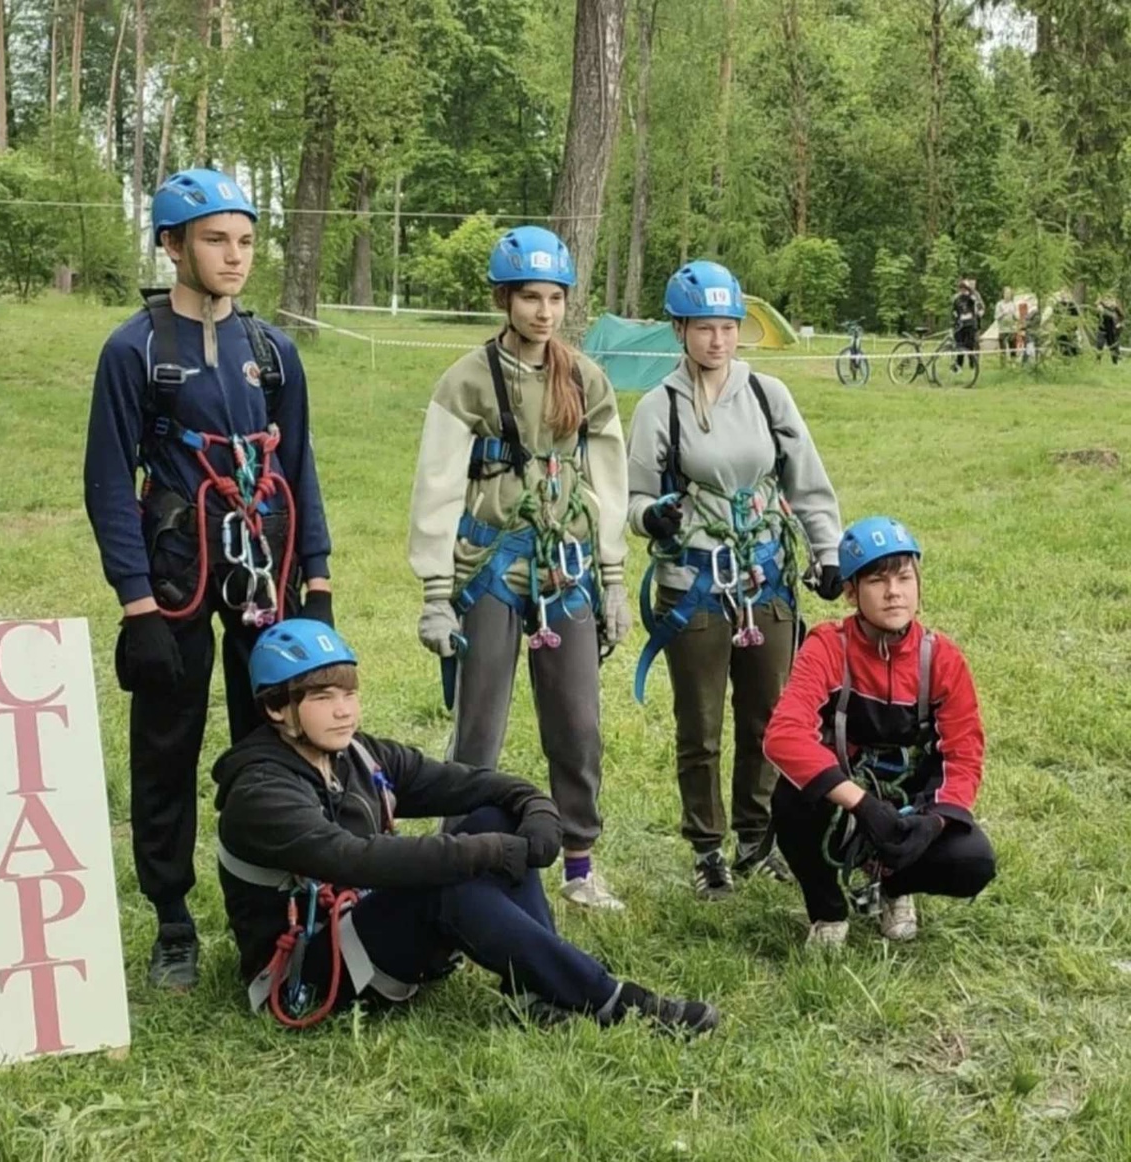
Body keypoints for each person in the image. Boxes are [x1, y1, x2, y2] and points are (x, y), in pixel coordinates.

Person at [211, 619, 720, 1035]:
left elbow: (470, 784)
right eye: (323, 697)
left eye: (350, 693)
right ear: (277, 707)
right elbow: (353, 858)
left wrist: (534, 809)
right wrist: (488, 852)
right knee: (446, 880)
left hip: (365, 926)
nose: (344, 710)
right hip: (308, 970)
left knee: (495, 816)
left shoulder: (358, 754)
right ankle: (610, 999)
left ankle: (534, 992)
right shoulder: (259, 792)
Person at [84, 168, 333, 989]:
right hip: (176, 571)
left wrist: (318, 580)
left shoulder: (273, 353)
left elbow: (299, 464)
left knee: (274, 740)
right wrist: (137, 608)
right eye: (216, 240)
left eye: (247, 241)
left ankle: (273, 906)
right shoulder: (136, 351)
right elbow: (107, 482)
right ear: (172, 245)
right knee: (167, 742)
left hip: (265, 570)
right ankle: (172, 919)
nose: (235, 256)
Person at [406, 226, 632, 910]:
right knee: (479, 727)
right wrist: (436, 593)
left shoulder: (584, 378)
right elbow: (437, 484)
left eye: (555, 298)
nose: (544, 311)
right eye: (531, 297)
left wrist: (613, 579)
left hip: (565, 566)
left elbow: (608, 477)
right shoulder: (467, 380)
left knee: (578, 723)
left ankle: (580, 863)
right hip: (489, 564)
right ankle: (458, 858)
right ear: (504, 299)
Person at [625, 260, 843, 898]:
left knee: (768, 719)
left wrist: (827, 551)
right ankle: (706, 849)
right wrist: (650, 516)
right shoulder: (660, 407)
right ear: (680, 330)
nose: (718, 340)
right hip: (693, 582)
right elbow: (631, 496)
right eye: (704, 328)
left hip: (765, 580)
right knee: (699, 725)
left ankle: (757, 837)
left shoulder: (768, 396)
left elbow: (807, 480)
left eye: (727, 327)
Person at [765, 517, 996, 947]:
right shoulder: (827, 647)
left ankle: (894, 884)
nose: (894, 592)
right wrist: (862, 804)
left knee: (973, 860)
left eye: (904, 578)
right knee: (791, 800)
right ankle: (828, 910)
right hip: (847, 794)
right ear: (851, 592)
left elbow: (964, 755)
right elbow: (783, 735)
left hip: (911, 800)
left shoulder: (942, 659)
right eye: (877, 580)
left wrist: (936, 821)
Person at [950, 278, 984, 372]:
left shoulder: (972, 298)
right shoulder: (957, 299)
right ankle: (958, 366)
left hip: (970, 325)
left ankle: (972, 364)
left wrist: (970, 294)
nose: (962, 291)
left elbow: (978, 307)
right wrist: (955, 318)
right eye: (961, 289)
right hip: (960, 325)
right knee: (959, 346)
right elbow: (954, 311)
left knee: (970, 345)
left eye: (964, 288)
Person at [993, 286, 1018, 365]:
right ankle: (1003, 364)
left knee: (1013, 346)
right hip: (1002, 330)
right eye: (1006, 293)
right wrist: (1003, 313)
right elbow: (996, 317)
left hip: (1012, 329)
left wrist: (1015, 315)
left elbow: (1017, 317)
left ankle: (1013, 363)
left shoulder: (1013, 304)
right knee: (1003, 348)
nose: (1008, 295)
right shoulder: (999, 304)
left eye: (1009, 293)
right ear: (1003, 294)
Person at [1096, 295, 1123, 364]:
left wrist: (1119, 323)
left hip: (1111, 331)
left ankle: (1115, 362)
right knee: (1099, 345)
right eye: (1106, 300)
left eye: (1109, 300)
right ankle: (1098, 361)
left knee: (1113, 346)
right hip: (1102, 330)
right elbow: (1098, 315)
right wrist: (1099, 307)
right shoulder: (1101, 308)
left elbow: (1119, 316)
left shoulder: (1114, 309)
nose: (1107, 302)